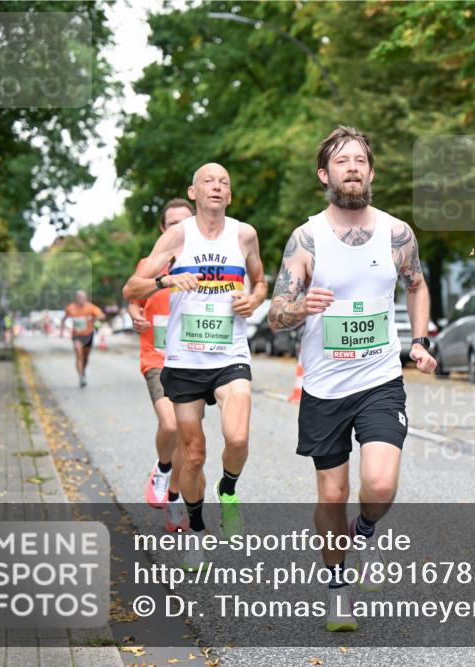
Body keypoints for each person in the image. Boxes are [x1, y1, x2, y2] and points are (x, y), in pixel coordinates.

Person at [269, 126, 437, 631]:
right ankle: (338, 587)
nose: (352, 168)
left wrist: (420, 340)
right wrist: (302, 306)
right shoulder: (306, 238)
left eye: (360, 160)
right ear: (325, 175)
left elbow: (416, 285)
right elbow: (276, 313)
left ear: (371, 172)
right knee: (331, 495)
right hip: (324, 387)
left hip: (380, 379)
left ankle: (363, 532)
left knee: (380, 484)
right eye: (342, 161)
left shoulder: (397, 233)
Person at [123, 164, 266, 571]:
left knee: (237, 437)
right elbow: (131, 288)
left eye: (224, 182)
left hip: (229, 355)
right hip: (185, 361)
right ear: (193, 192)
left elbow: (260, 282)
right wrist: (167, 281)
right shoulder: (177, 237)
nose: (216, 187)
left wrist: (255, 300)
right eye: (208, 181)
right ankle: (197, 532)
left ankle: (229, 489)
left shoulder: (244, 234)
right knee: (194, 454)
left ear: (230, 196)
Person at [128, 198, 195, 532]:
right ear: (162, 228)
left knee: (187, 435)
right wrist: (135, 314)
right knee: (170, 425)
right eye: (172, 224)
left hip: (194, 360)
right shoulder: (151, 263)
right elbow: (133, 296)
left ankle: (173, 499)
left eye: (185, 222)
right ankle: (164, 468)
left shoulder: (205, 262)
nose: (179, 229)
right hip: (157, 357)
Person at [61, 290, 107, 387]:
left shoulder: (90, 307)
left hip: (88, 334)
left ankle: (83, 370)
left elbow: (102, 315)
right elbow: (64, 319)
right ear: (76, 298)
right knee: (79, 355)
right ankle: (81, 377)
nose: (81, 299)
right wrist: (62, 331)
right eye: (79, 297)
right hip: (76, 335)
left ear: (86, 298)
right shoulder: (71, 308)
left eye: (83, 297)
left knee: (85, 357)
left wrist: (96, 318)